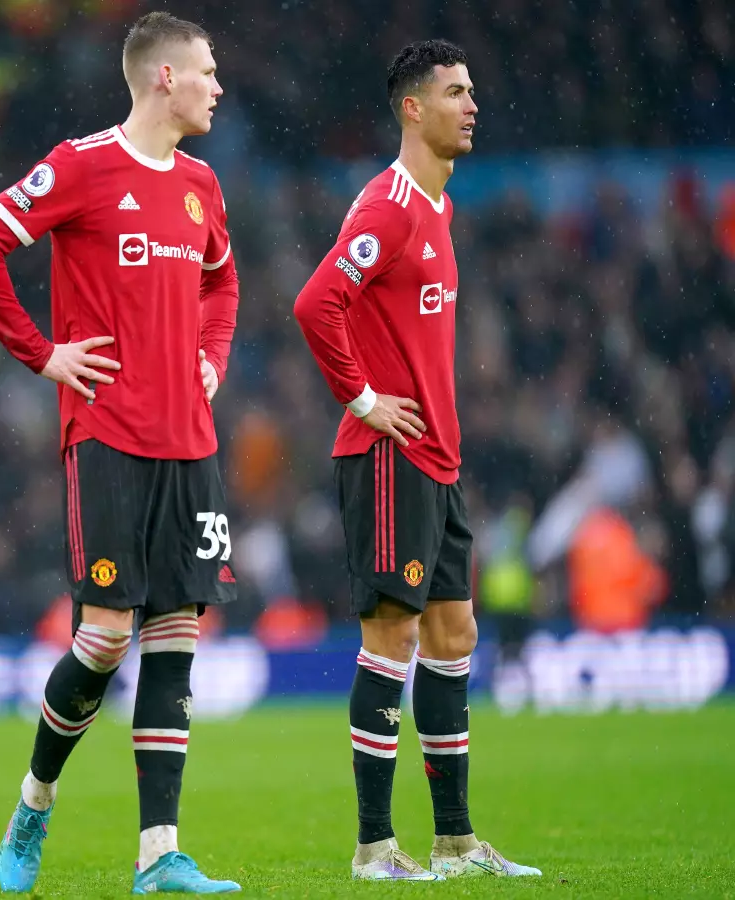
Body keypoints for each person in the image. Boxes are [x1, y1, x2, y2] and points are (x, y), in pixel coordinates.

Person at [0, 11, 241, 895]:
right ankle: (36, 800)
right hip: (107, 434)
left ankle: (161, 853)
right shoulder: (80, 167)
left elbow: (223, 280)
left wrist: (210, 359)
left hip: (190, 440)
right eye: (206, 71)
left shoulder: (202, 186)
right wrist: (43, 355)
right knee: (107, 635)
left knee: (178, 633)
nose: (218, 86)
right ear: (162, 78)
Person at [293, 41, 542, 881]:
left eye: (473, 91)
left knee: (453, 630)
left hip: (437, 459)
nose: (472, 105)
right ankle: (373, 847)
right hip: (388, 457)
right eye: (455, 92)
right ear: (412, 107)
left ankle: (457, 840)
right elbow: (316, 301)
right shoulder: (390, 206)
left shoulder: (437, 210)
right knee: (391, 640)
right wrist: (362, 399)